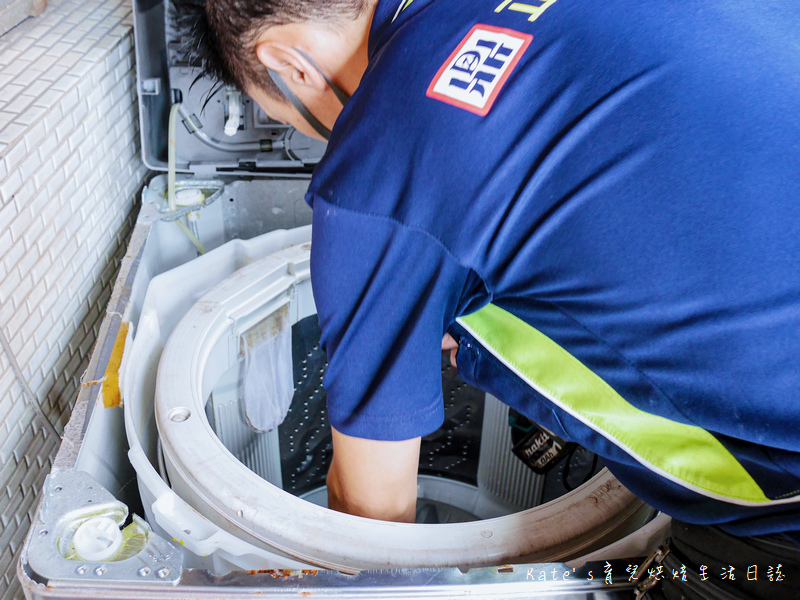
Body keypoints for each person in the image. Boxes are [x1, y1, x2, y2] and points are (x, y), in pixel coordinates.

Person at [174, 0, 800, 595]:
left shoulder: (377, 155)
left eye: (300, 121)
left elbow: (371, 516)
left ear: (288, 62)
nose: (327, 142)